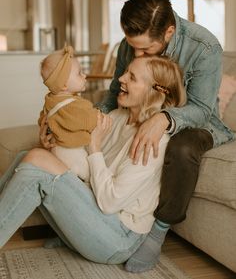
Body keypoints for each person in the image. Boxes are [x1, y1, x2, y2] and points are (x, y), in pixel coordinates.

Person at [0, 55, 186, 266]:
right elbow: (76, 160)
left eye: (132, 77)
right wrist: (51, 142)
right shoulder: (116, 117)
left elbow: (109, 202)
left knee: (36, 159)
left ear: (154, 91)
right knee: (27, 156)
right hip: (95, 217)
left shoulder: (154, 141)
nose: (121, 79)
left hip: (116, 239)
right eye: (125, 72)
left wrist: (95, 147)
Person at [97, 0, 235, 272]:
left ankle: (158, 231)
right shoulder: (132, 44)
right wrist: (91, 118)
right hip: (147, 111)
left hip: (200, 122)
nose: (136, 54)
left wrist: (163, 118)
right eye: (132, 46)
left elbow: (201, 109)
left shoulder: (204, 46)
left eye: (146, 50)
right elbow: (115, 92)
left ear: (169, 31)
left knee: (181, 147)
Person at [39, 45, 97, 178]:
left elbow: (41, 120)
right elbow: (87, 121)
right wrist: (98, 116)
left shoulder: (50, 100)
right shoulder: (73, 106)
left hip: (55, 151)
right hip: (71, 153)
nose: (84, 75)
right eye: (79, 73)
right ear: (64, 85)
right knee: (89, 175)